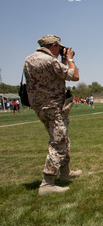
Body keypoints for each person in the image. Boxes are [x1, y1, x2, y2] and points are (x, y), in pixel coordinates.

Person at [23, 34, 82, 195]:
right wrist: (70, 59)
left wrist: (62, 61)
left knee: (61, 137)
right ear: (54, 45)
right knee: (59, 142)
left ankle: (65, 173)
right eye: (59, 47)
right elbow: (74, 76)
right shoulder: (50, 61)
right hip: (53, 106)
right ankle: (47, 182)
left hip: (39, 106)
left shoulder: (29, 60)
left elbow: (54, 76)